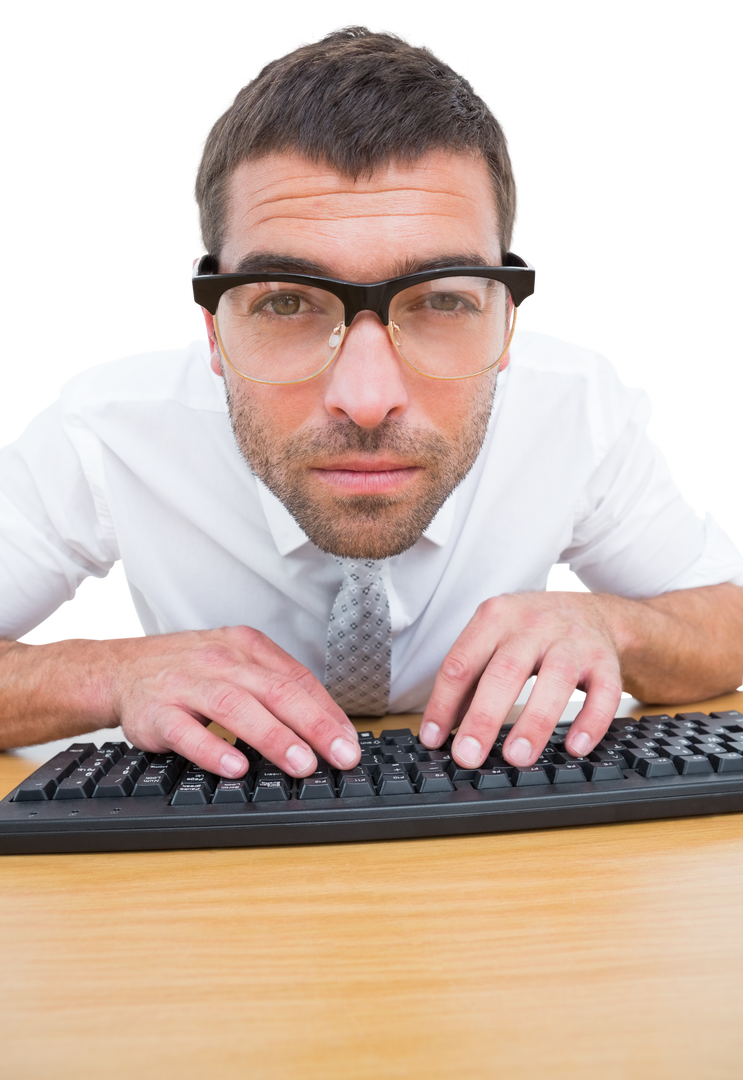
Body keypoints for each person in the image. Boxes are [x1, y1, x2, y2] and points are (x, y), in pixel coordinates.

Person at [1, 18, 742, 783]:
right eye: (286, 303)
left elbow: (729, 622)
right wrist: (109, 673)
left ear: (508, 318)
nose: (365, 400)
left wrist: (614, 629)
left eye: (443, 301)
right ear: (213, 328)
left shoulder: (576, 406)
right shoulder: (106, 427)